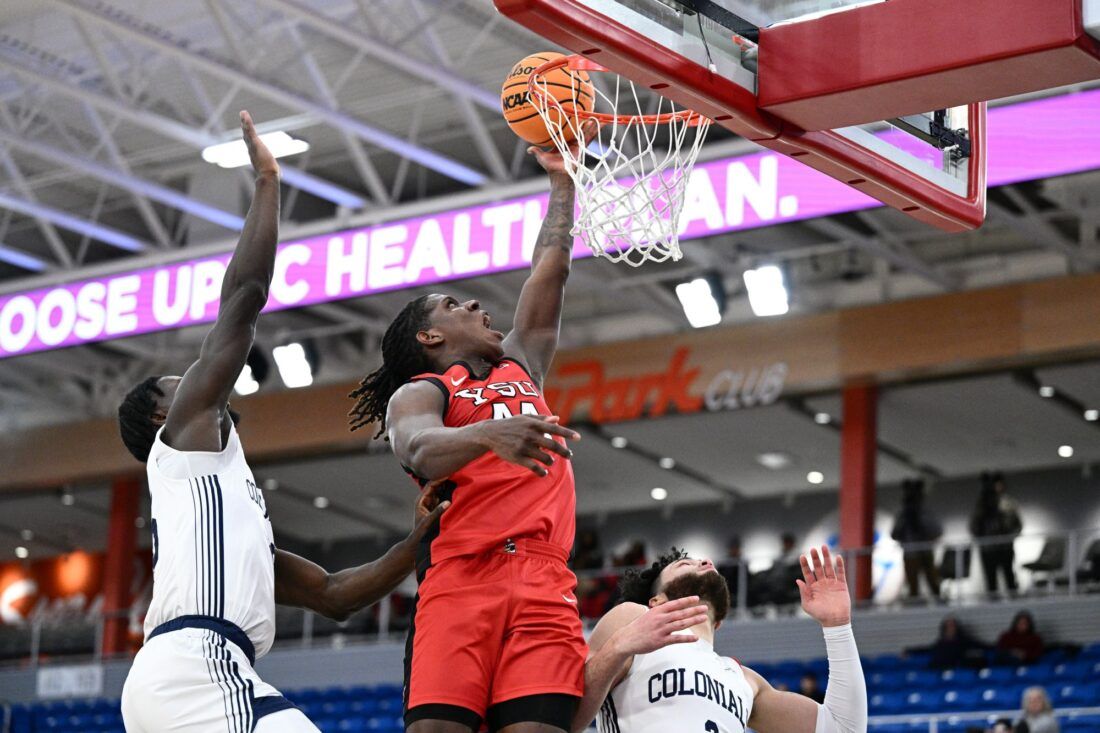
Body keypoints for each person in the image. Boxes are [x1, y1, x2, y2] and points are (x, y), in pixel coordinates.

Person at [115, 112, 446, 733]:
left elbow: (333, 595)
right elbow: (243, 297)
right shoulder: (182, 442)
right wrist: (267, 183)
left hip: (193, 669)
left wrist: (415, 544)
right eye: (178, 384)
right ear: (164, 415)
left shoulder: (225, 515)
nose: (196, 381)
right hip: (196, 665)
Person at [349, 124, 596, 733]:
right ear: (429, 336)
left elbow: (550, 270)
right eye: (454, 306)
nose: (476, 306)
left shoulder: (521, 363)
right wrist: (488, 436)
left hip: (545, 576)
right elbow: (417, 447)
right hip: (461, 577)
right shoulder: (422, 392)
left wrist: (563, 182)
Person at [575, 545, 867, 733]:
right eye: (685, 564)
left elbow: (842, 728)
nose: (706, 561)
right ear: (656, 602)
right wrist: (618, 647)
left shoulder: (745, 679)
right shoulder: (632, 619)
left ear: (720, 622)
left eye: (704, 560)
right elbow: (569, 718)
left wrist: (837, 626)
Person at [970, 472, 1022, 595]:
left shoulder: (1007, 502)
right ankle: (994, 601)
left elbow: (1017, 525)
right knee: (991, 581)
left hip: (1005, 547)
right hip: (988, 549)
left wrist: (1008, 537)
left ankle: (1014, 599)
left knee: (1009, 577)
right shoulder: (981, 505)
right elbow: (974, 526)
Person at [891, 479, 942, 599]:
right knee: (913, 585)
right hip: (910, 553)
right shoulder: (903, 515)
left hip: (925, 551)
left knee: (933, 582)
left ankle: (939, 602)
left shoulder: (926, 513)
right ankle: (915, 604)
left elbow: (937, 531)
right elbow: (894, 534)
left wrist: (922, 523)